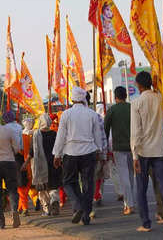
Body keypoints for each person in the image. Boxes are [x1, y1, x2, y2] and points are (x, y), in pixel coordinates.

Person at [131, 71, 163, 234]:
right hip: (160, 148)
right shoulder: (159, 98)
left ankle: (146, 223)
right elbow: (159, 89)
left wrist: (134, 155)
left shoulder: (136, 103)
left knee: (141, 189)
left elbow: (136, 131)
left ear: (138, 85)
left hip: (144, 150)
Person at [52, 86, 105, 226]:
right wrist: (99, 151)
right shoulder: (92, 114)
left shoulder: (66, 114)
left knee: (69, 182)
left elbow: (61, 136)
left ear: (72, 99)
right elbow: (97, 136)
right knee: (88, 184)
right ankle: (86, 215)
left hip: (70, 152)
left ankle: (77, 205)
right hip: (89, 153)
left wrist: (57, 154)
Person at [104, 86, 135, 215]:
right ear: (126, 95)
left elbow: (104, 130)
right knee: (130, 176)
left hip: (119, 148)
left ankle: (129, 204)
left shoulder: (112, 110)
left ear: (115, 97)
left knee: (124, 177)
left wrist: (105, 147)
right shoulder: (132, 108)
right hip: (134, 147)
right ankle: (129, 202)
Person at [25, 113, 63, 216]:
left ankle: (47, 209)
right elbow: (59, 148)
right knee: (53, 186)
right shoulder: (54, 134)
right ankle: (54, 200)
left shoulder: (36, 135)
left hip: (40, 165)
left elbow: (32, 152)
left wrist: (26, 163)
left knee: (42, 189)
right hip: (53, 163)